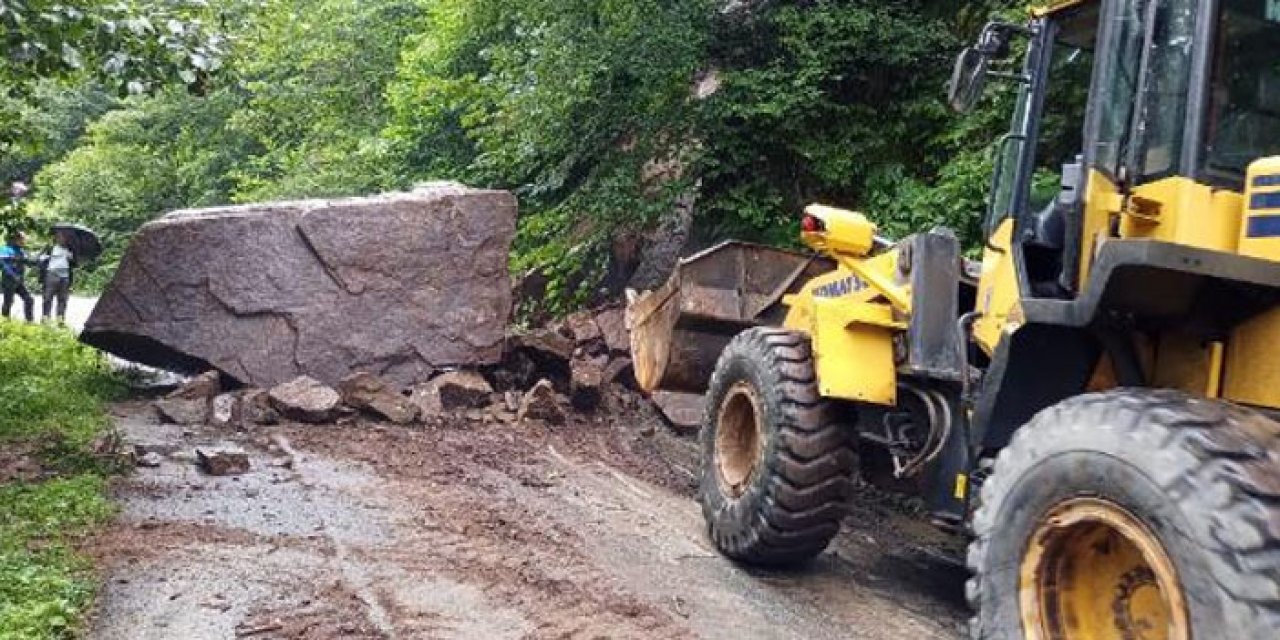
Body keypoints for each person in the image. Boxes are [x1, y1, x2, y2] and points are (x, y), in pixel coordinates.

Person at [41, 230, 75, 323]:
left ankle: (60, 319)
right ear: (56, 238)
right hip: (52, 274)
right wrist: (46, 257)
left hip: (65, 276)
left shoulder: (70, 249)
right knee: (48, 297)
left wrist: (71, 258)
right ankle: (45, 318)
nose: (62, 239)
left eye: (64, 237)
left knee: (63, 299)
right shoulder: (51, 248)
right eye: (60, 236)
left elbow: (74, 263)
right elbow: (40, 258)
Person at [1, 231, 35, 322]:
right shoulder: (5, 249)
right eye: (23, 239)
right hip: (8, 281)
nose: (24, 241)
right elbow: (4, 265)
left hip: (19, 281)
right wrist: (13, 275)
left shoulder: (22, 251)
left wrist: (38, 260)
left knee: (29, 299)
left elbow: (30, 262)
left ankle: (29, 321)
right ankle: (5, 321)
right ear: (16, 239)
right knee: (8, 302)